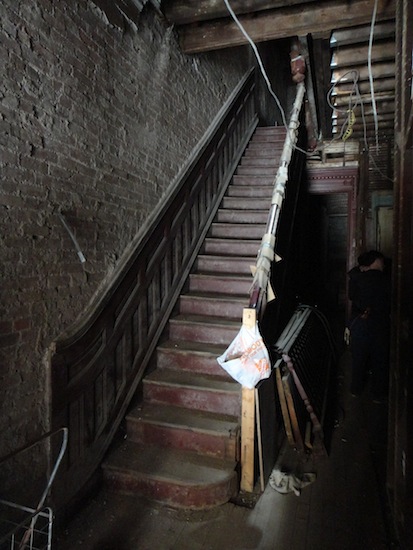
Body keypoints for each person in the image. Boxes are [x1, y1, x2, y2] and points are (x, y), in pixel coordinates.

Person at [347, 250, 391, 403]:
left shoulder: (356, 276)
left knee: (359, 357)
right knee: (379, 359)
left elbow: (352, 296)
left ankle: (355, 389)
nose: (383, 264)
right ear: (375, 261)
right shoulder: (384, 279)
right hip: (379, 323)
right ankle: (378, 394)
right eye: (381, 261)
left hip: (360, 322)